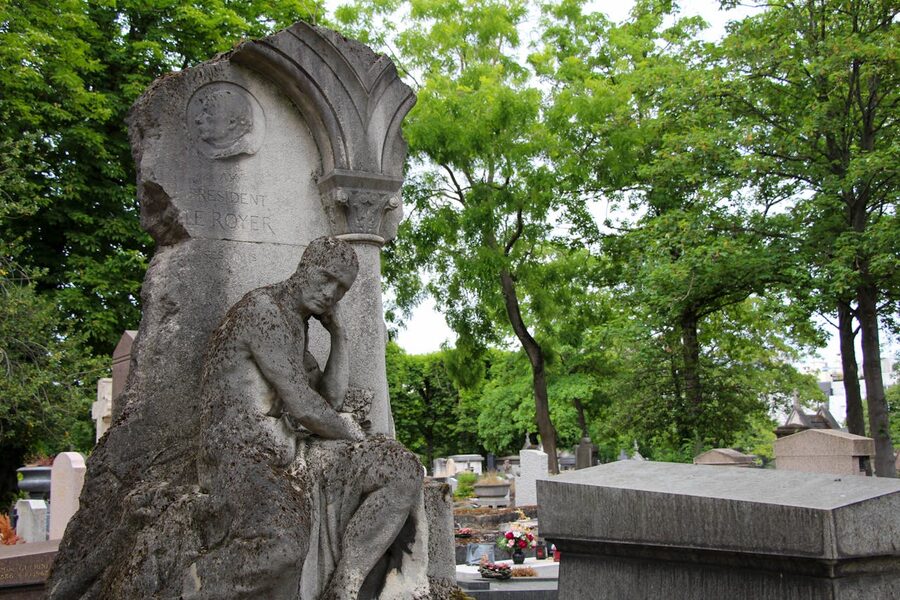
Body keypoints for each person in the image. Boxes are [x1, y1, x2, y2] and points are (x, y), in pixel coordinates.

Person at [191, 237, 425, 600]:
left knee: (402, 468)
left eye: (342, 288)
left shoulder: (296, 325)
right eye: (327, 277)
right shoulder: (262, 312)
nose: (332, 293)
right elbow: (304, 407)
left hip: (289, 453)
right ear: (305, 266)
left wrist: (339, 335)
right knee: (282, 548)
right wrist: (350, 432)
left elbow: (327, 399)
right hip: (242, 456)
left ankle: (345, 584)